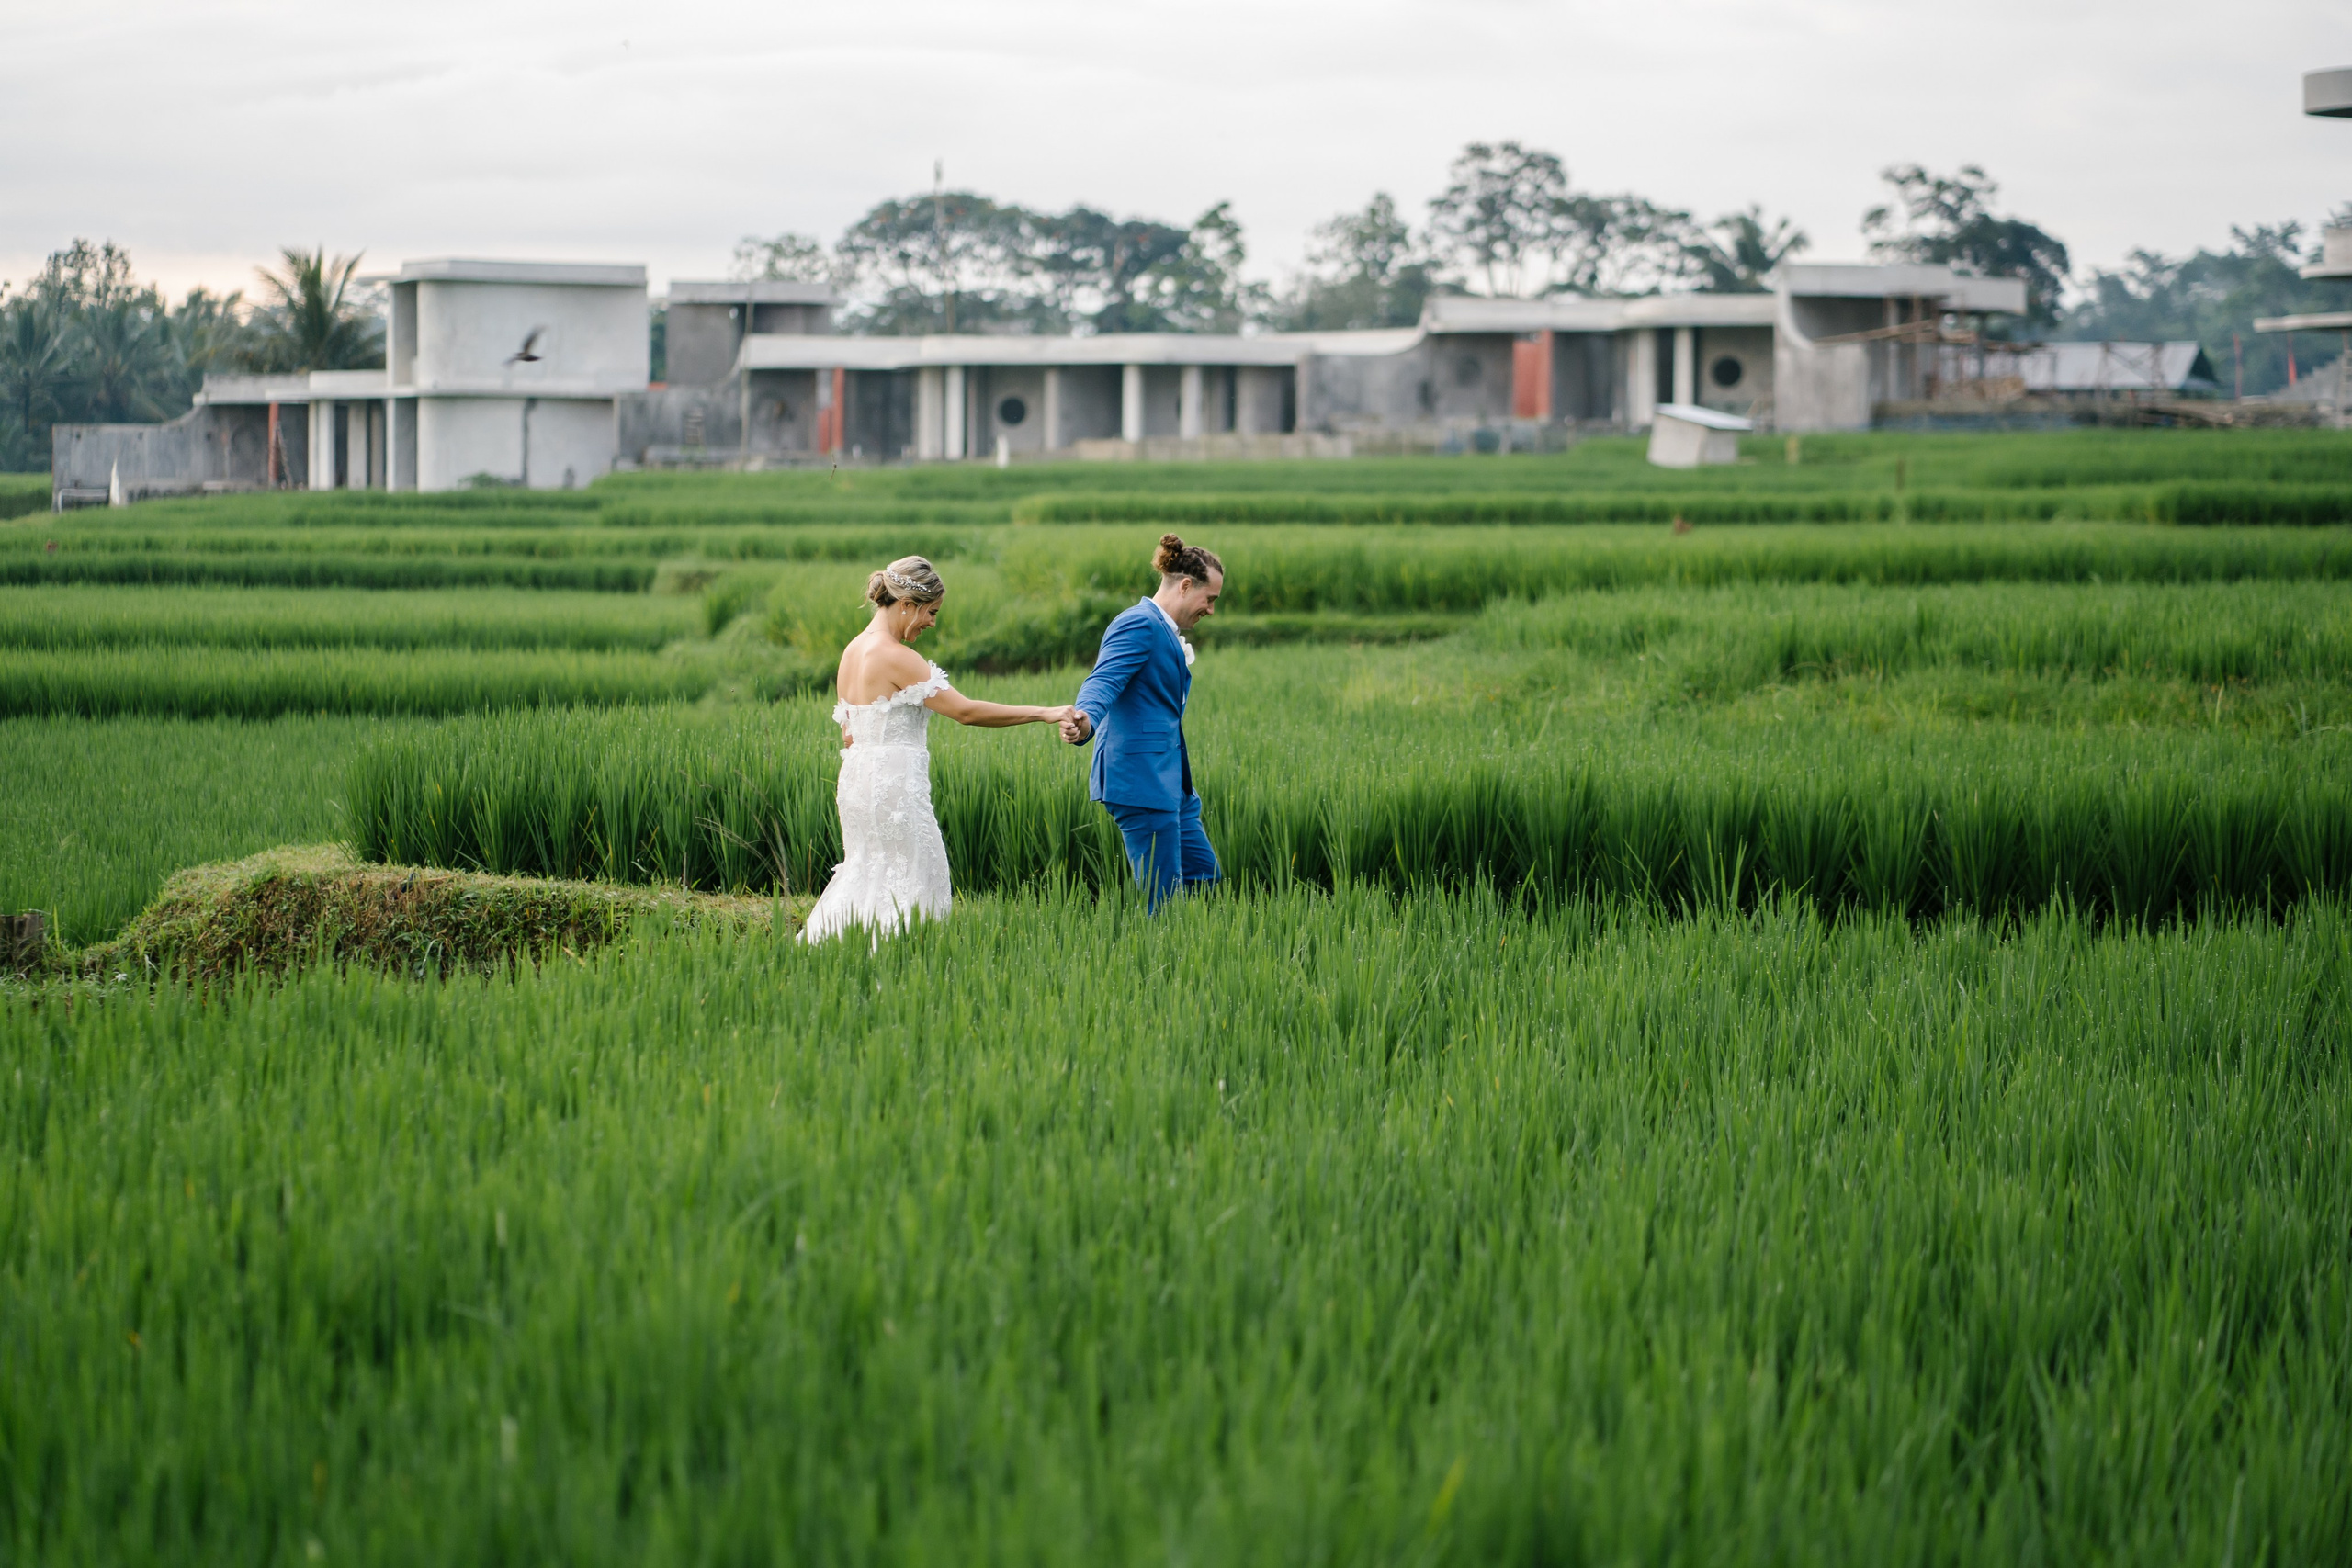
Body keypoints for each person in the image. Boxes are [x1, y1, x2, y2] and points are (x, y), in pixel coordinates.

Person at [802, 556, 1076, 944]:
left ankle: (836, 954)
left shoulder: (852, 652)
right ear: (906, 604)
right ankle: (897, 962)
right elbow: (965, 711)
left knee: (865, 872)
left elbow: (849, 736)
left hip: (857, 788)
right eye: (931, 612)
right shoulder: (895, 656)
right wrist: (1043, 713)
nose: (932, 623)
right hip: (895, 791)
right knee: (916, 878)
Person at [1061, 534, 1224, 910]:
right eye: (1210, 599)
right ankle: (1163, 944)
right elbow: (1104, 680)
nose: (1211, 610)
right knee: (1162, 899)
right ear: (1186, 586)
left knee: (1204, 874)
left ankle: (1194, 939)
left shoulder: (1162, 628)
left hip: (1172, 781)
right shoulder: (1138, 623)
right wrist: (1085, 719)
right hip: (1141, 780)